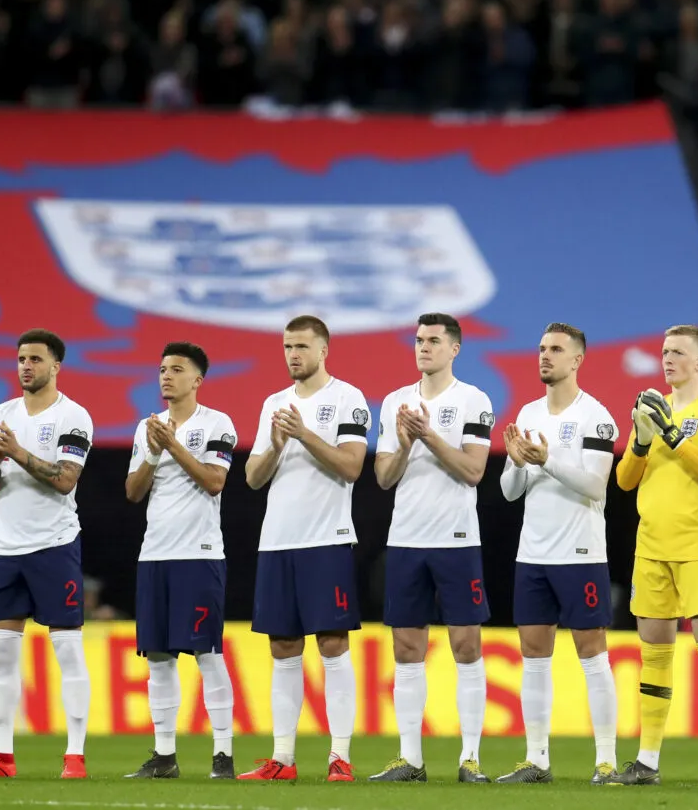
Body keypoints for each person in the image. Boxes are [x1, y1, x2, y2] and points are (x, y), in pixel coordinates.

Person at [0, 329, 94, 779]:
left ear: (56, 366)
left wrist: (15, 450)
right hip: (5, 547)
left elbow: (65, 479)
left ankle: (74, 755)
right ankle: (1, 755)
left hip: (53, 545)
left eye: (35, 359)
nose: (26, 366)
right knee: (0, 653)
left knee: (68, 650)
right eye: (21, 359)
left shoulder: (74, 416)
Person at [614, 324, 698, 786]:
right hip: (651, 546)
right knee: (654, 655)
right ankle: (647, 761)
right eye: (665, 352)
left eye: (678, 353)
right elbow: (625, 480)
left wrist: (670, 434)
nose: (668, 359)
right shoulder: (654, 409)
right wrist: (642, 437)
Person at [242, 315, 368, 782]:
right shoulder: (274, 403)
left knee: (333, 644)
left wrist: (304, 435)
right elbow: (254, 478)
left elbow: (352, 466)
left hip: (326, 540)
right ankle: (283, 759)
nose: (293, 355)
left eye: (301, 346)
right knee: (283, 646)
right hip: (277, 541)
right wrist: (276, 444)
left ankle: (340, 758)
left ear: (323, 350)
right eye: (287, 347)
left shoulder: (347, 399)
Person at [372, 312, 495, 783]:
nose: (423, 347)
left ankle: (470, 759)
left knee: (466, 645)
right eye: (419, 340)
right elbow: (383, 478)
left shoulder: (473, 400)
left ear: (454, 349)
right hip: (406, 538)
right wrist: (404, 443)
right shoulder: (395, 402)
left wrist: (427, 435)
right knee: (406, 648)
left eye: (433, 341)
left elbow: (473, 471)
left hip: (456, 539)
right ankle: (411, 760)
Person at [496, 322, 620, 784]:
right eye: (541, 348)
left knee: (592, 653)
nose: (544, 356)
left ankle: (605, 760)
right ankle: (537, 760)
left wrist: (546, 460)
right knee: (533, 654)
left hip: (580, 551)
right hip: (533, 553)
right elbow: (510, 492)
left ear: (577, 360)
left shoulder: (596, 417)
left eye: (555, 350)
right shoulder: (528, 412)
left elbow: (595, 484)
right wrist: (515, 461)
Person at [123, 341, 238, 780]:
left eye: (176, 369)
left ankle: (223, 754)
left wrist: (172, 446)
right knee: (157, 656)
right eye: (162, 369)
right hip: (155, 553)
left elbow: (214, 481)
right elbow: (133, 492)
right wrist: (153, 451)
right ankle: (164, 755)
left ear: (197, 380)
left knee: (206, 652)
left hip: (199, 554)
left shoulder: (217, 424)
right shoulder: (145, 428)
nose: (166, 376)